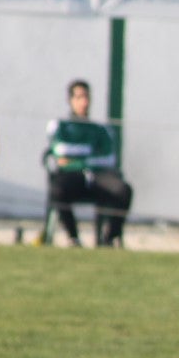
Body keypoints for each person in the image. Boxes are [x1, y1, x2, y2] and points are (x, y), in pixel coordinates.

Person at [43, 80, 134, 247]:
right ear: (70, 100)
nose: (83, 102)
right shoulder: (61, 126)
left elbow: (109, 158)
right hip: (72, 177)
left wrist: (77, 160)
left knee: (123, 190)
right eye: (78, 97)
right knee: (57, 189)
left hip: (97, 177)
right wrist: (89, 155)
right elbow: (61, 150)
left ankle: (110, 239)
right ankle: (73, 237)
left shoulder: (99, 129)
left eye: (86, 97)